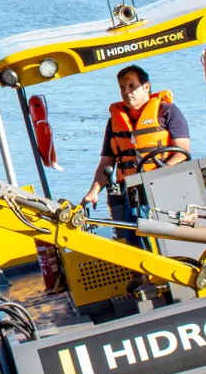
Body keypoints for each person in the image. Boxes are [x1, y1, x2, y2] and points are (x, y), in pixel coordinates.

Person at [81, 64, 190, 244]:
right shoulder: (113, 122)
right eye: (122, 88)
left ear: (146, 87)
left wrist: (158, 173)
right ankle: (139, 258)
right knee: (131, 220)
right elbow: (106, 162)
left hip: (165, 182)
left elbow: (183, 152)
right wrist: (93, 192)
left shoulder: (167, 112)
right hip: (130, 187)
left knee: (138, 215)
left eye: (132, 86)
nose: (127, 92)